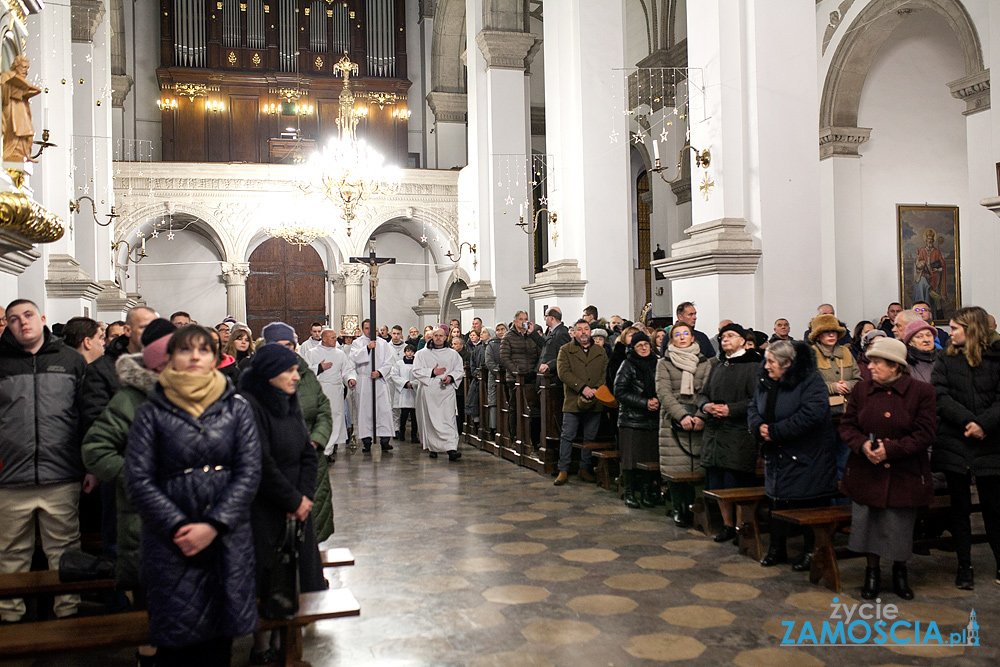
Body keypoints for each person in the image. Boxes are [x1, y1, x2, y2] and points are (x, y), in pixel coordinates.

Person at [125, 325, 261, 666]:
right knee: (176, 640)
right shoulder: (152, 412)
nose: (195, 356)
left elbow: (249, 472)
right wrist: (178, 526)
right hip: (172, 542)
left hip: (225, 539)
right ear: (171, 358)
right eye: (186, 350)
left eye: (204, 350)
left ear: (216, 358)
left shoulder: (237, 408)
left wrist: (213, 525)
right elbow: (139, 479)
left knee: (219, 643)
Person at [81, 318, 174, 666]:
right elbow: (95, 450)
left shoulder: (203, 394)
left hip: (192, 519)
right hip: (145, 518)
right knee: (150, 608)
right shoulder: (129, 399)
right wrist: (136, 476)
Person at [0, 299, 89, 623]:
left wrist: (87, 465)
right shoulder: (2, 362)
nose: (22, 323)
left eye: (27, 316)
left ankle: (68, 614)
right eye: (13, 319)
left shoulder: (70, 360)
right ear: (7, 325)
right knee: (10, 554)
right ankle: (10, 618)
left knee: (64, 552)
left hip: (60, 474)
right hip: (10, 477)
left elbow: (84, 415)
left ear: (42, 319)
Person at [239, 344, 326, 664]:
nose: (296, 375)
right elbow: (258, 460)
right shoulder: (249, 404)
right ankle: (259, 646)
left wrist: (304, 498)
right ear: (270, 373)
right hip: (263, 506)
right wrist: (292, 499)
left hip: (295, 504)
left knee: (295, 576)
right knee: (264, 577)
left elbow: (306, 452)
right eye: (289, 370)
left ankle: (285, 641)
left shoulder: (288, 400)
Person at [839, 337, 936, 600]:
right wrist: (862, 446)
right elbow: (847, 426)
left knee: (899, 527)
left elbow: (925, 433)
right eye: (870, 361)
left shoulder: (921, 392)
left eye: (876, 362)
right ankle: (871, 573)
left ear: (895, 366)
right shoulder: (862, 390)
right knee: (868, 523)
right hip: (866, 469)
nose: (870, 367)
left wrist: (891, 449)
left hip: (904, 471)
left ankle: (899, 572)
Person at [748, 340, 837, 569]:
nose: (766, 366)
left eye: (771, 362)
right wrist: (760, 427)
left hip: (807, 455)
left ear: (787, 363)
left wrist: (776, 431)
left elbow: (812, 414)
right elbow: (753, 407)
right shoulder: (766, 380)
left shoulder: (810, 380)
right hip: (776, 454)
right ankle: (777, 549)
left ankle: (812, 551)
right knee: (777, 501)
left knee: (809, 502)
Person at [931, 305, 1000, 590]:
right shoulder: (945, 359)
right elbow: (939, 393)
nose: (950, 333)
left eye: (956, 328)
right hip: (955, 441)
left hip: (991, 442)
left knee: (994, 508)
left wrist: (985, 424)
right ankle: (964, 566)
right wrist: (969, 422)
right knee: (958, 510)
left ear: (971, 330)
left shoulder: (997, 358)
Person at [260, 322, 335, 541]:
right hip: (276, 461)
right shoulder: (257, 377)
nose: (286, 350)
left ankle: (312, 571)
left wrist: (315, 442)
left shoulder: (304, 372)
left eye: (289, 345)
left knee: (313, 521)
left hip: (310, 459)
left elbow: (323, 409)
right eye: (279, 345)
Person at [697, 323, 762, 543]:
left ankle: (741, 525)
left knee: (736, 482)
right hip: (715, 432)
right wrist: (706, 407)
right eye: (723, 336)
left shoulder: (753, 365)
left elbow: (757, 400)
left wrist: (730, 409)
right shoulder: (717, 364)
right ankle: (726, 525)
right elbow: (703, 393)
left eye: (731, 336)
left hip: (738, 432)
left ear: (743, 340)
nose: (725, 339)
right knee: (718, 482)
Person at [656, 322, 711, 527]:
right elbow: (664, 392)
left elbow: (707, 390)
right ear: (671, 340)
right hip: (673, 419)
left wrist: (700, 416)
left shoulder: (704, 363)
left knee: (698, 467)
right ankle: (679, 507)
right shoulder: (664, 363)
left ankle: (697, 507)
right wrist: (681, 416)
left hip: (698, 418)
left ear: (692, 337)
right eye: (677, 334)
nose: (681, 337)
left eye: (685, 333)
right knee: (676, 466)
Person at [80, 306, 159, 432]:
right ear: (127, 330)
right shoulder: (101, 369)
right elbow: (96, 421)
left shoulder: (164, 364)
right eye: (144, 328)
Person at [554, 319, 608, 486]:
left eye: (586, 329)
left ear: (590, 332)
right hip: (573, 399)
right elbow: (563, 373)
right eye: (580, 330)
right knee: (567, 435)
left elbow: (604, 372)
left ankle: (584, 469)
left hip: (595, 399)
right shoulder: (565, 350)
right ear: (574, 333)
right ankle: (563, 469)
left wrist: (596, 388)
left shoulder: (600, 351)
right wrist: (582, 387)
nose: (584, 332)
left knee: (590, 436)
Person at [810, 313, 861, 483]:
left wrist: (848, 385)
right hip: (824, 415)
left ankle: (842, 503)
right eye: (826, 332)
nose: (831, 335)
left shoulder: (846, 352)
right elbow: (808, 385)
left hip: (846, 414)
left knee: (845, 461)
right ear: (818, 334)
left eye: (834, 332)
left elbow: (858, 379)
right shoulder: (811, 354)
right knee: (825, 461)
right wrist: (833, 387)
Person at [614, 331, 661, 508]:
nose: (643, 348)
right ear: (632, 348)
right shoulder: (627, 364)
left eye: (646, 345)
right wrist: (644, 403)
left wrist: (657, 400)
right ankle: (629, 493)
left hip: (652, 418)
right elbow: (620, 392)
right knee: (630, 459)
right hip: (631, 420)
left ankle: (647, 492)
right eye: (639, 345)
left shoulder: (656, 363)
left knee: (650, 458)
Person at [412, 327, 465, 461]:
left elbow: (459, 370)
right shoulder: (421, 354)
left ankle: (451, 448)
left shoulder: (453, 354)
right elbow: (416, 371)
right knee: (431, 420)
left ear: (445, 337)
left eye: (441, 336)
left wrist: (450, 377)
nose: (438, 338)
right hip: (429, 390)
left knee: (448, 419)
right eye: (435, 335)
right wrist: (432, 372)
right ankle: (433, 447)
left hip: (446, 390)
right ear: (431, 337)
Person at [304, 329, 357, 462]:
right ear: (324, 339)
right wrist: (320, 367)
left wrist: (350, 378)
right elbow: (304, 371)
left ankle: (328, 450)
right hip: (319, 389)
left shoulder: (340, 354)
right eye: (332, 338)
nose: (335, 340)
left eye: (335, 337)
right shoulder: (311, 353)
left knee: (335, 418)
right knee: (320, 419)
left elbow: (347, 370)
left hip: (335, 390)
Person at [349, 319, 396, 453]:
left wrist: (380, 372)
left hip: (379, 381)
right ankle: (366, 441)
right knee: (365, 411)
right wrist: (367, 348)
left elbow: (389, 362)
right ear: (363, 329)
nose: (369, 331)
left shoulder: (384, 344)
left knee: (383, 410)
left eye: (371, 328)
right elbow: (354, 358)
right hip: (364, 381)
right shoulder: (357, 343)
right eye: (366, 328)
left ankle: (385, 440)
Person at [499, 311, 544, 443]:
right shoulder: (508, 337)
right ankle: (515, 437)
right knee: (515, 407)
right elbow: (504, 357)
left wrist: (535, 372)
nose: (523, 321)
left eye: (525, 319)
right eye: (520, 319)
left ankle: (532, 439)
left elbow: (540, 354)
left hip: (531, 378)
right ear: (514, 322)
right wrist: (517, 372)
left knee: (533, 408)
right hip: (515, 379)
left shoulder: (531, 336)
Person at [390, 344, 419, 442]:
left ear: (414, 353)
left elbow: (420, 376)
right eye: (408, 351)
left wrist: (413, 383)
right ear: (404, 352)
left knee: (414, 417)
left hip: (414, 392)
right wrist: (405, 383)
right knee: (403, 415)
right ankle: (401, 433)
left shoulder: (417, 363)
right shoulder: (399, 364)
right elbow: (394, 375)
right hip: (403, 392)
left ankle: (414, 435)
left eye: (412, 351)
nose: (410, 353)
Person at [485, 323, 507, 435]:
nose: (500, 332)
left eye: (502, 329)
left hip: (508, 375)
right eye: (498, 330)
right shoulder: (491, 344)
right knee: (494, 401)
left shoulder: (509, 342)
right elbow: (489, 362)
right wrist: (498, 371)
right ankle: (494, 427)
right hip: (495, 377)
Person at [537, 307, 572, 377]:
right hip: (545, 374)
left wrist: (549, 365)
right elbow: (545, 345)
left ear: (551, 318)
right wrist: (532, 333)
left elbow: (564, 356)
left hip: (552, 375)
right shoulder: (552, 332)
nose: (545, 319)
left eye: (546, 316)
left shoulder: (562, 333)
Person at [903, 320, 938, 384]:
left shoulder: (944, 358)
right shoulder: (905, 363)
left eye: (929, 335)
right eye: (919, 336)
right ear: (910, 342)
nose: (926, 340)